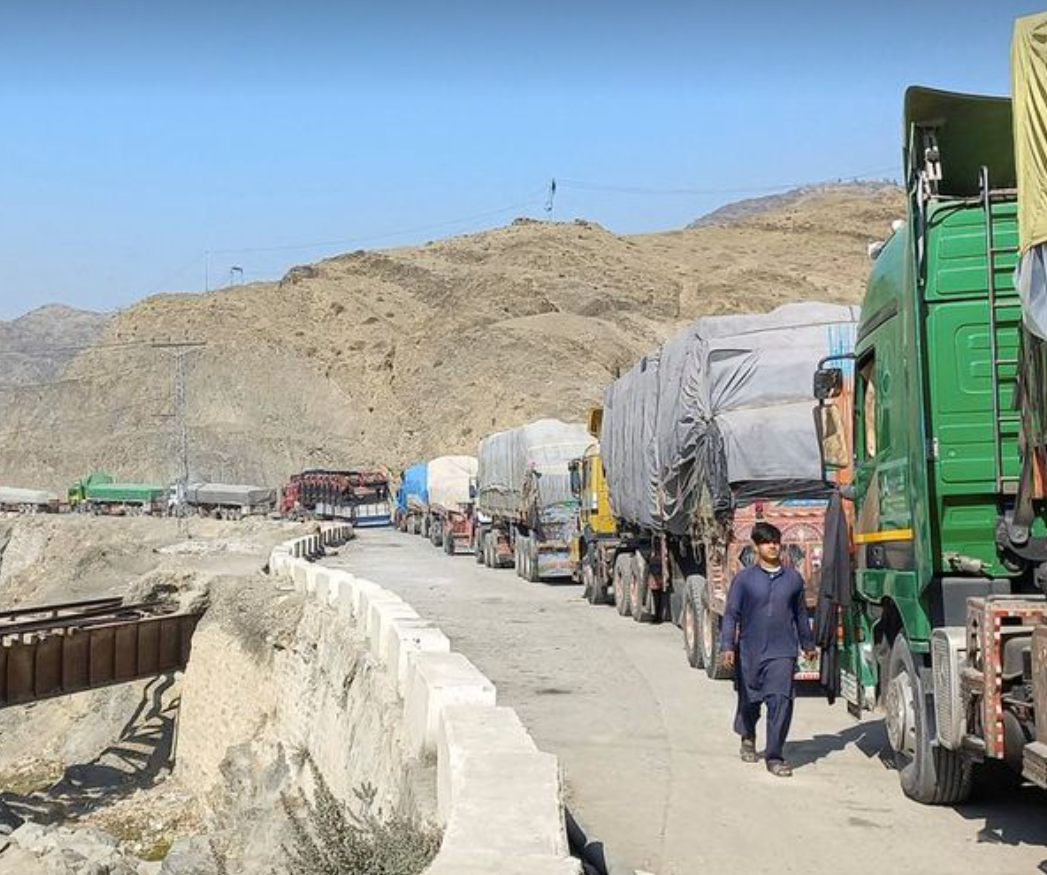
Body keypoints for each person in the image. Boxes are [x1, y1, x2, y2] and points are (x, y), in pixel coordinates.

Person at [720, 521, 817, 777]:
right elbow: (731, 614)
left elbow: (800, 613)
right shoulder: (744, 580)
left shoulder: (793, 579)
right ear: (756, 546)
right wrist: (727, 645)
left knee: (780, 701)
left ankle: (774, 756)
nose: (772, 546)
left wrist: (808, 644)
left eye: (775, 541)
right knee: (750, 700)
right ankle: (748, 734)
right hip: (750, 651)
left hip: (782, 651)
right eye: (766, 542)